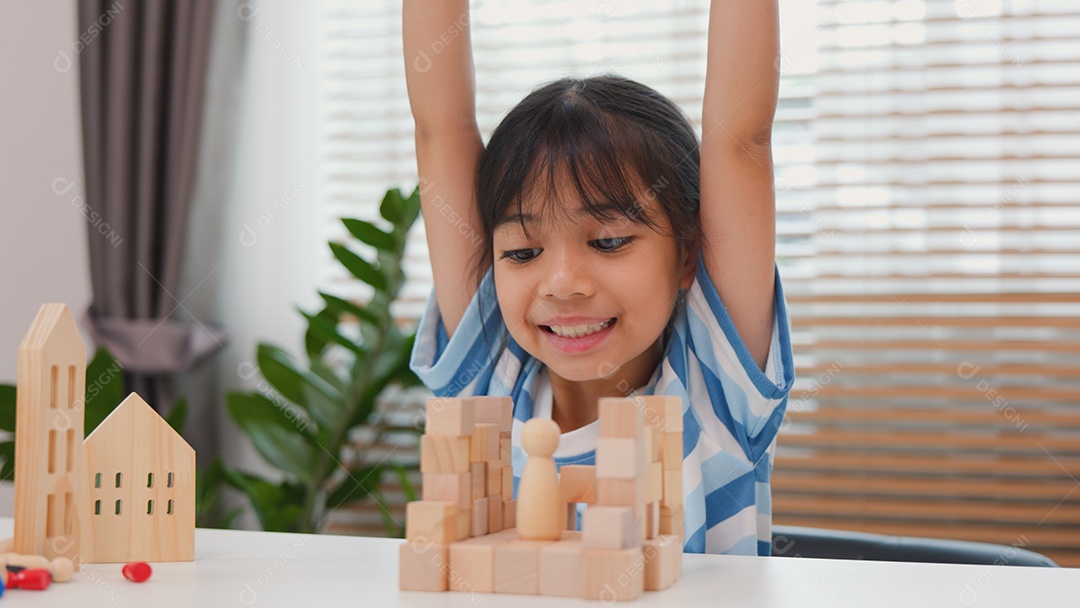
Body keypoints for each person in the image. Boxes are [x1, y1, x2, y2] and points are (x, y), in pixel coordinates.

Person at [403, 0, 793, 556]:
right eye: (523, 251)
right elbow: (439, 130)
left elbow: (741, 140)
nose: (562, 283)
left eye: (608, 241)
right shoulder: (490, 378)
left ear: (687, 255)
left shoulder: (710, 391)